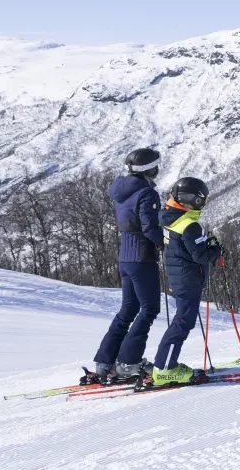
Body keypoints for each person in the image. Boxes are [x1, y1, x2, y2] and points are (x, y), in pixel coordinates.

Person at [92, 148, 164, 382]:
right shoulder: (147, 193)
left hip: (125, 257)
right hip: (142, 258)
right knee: (149, 309)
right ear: (148, 169)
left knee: (128, 310)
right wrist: (164, 242)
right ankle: (129, 362)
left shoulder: (121, 190)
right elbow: (149, 228)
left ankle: (105, 361)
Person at [151, 177, 222, 385]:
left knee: (182, 321)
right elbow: (200, 256)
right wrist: (215, 250)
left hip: (179, 277)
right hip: (188, 279)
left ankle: (166, 366)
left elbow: (185, 248)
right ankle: (165, 368)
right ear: (191, 200)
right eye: (201, 200)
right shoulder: (189, 225)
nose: (203, 204)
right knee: (183, 322)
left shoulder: (171, 219)